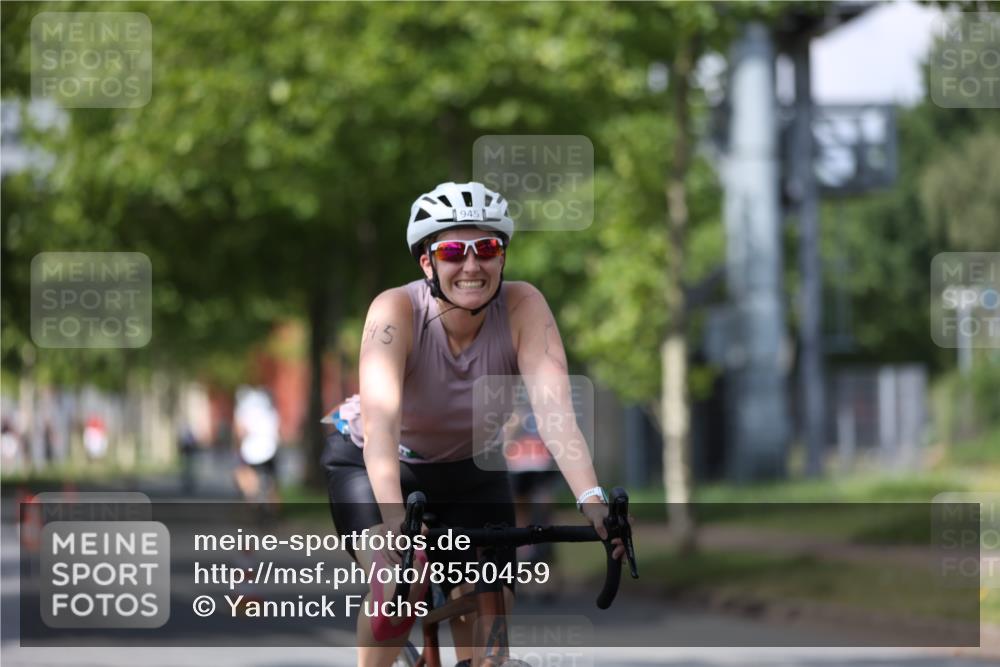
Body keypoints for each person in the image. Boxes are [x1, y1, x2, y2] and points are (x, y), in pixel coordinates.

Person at [321, 181, 624, 667]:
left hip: (468, 470)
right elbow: (382, 426)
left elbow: (554, 413)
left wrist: (592, 500)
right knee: (398, 586)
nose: (471, 265)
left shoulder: (524, 306)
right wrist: (397, 524)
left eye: (486, 248)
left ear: (501, 257)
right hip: (374, 463)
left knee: (493, 601)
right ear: (427, 263)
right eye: (452, 252)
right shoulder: (394, 311)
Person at [232, 386, 281, 507]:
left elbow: (239, 431)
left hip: (250, 451)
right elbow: (277, 430)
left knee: (247, 478)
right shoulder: (269, 408)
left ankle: (253, 503)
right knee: (272, 483)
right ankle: (274, 511)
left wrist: (237, 447)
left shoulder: (243, 410)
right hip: (270, 449)